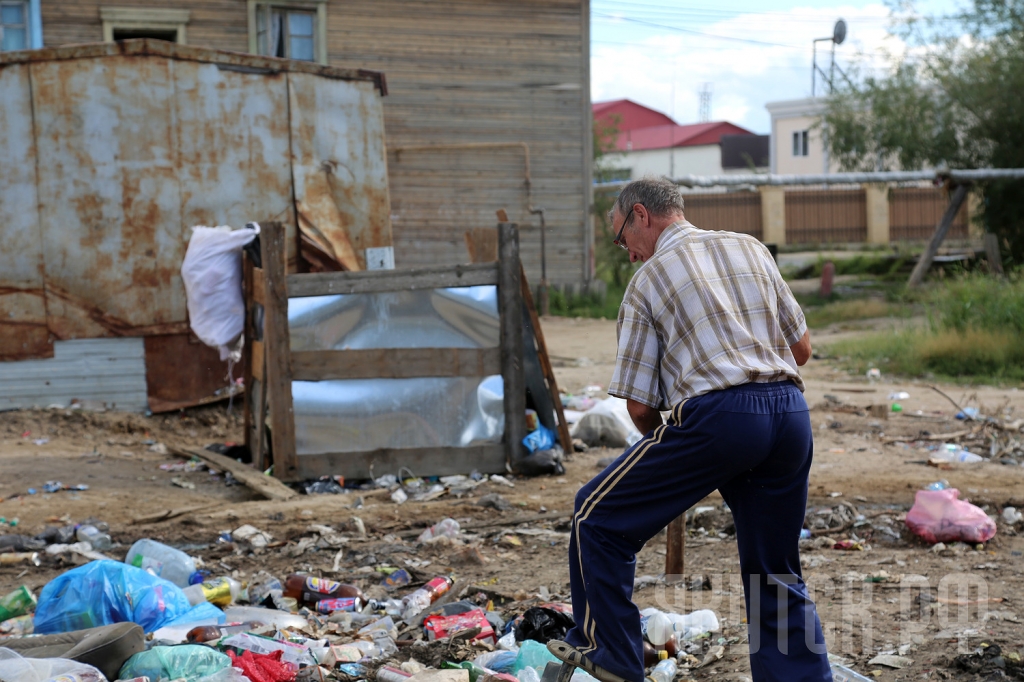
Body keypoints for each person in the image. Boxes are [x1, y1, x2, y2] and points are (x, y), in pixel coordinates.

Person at [547, 177, 830, 682]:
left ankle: (611, 651)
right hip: (790, 416)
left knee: (596, 517)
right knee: (775, 570)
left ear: (641, 216)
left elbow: (638, 407)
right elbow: (801, 349)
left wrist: (672, 444)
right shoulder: (751, 248)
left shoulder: (648, 281)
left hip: (720, 420)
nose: (628, 254)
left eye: (621, 239)